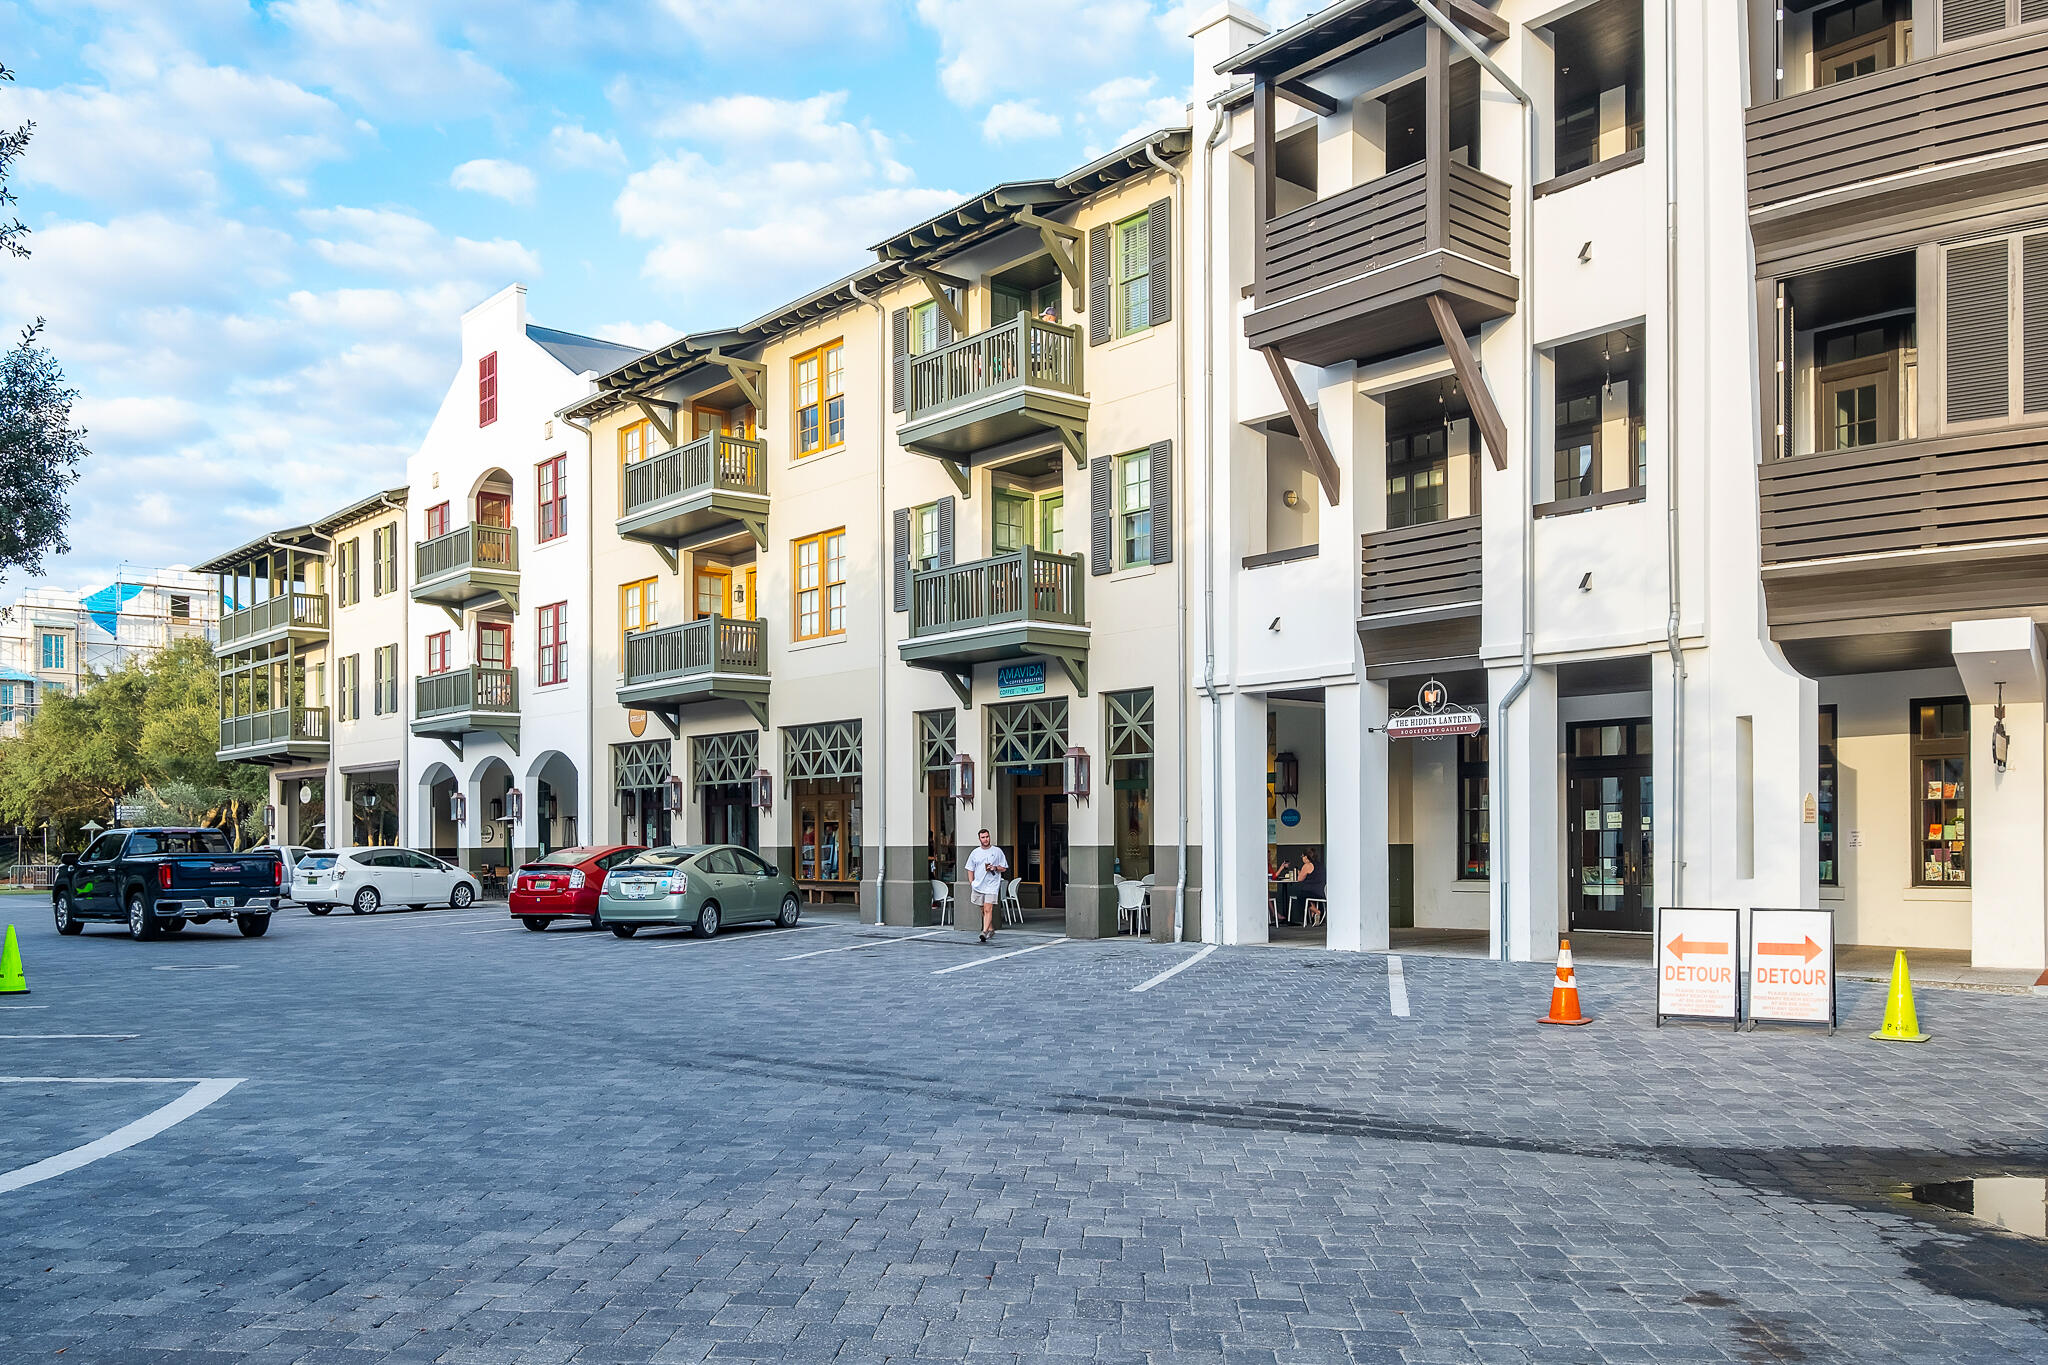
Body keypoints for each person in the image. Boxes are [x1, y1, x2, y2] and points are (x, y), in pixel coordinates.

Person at [965, 828, 1009, 944]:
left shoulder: (997, 851)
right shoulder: (975, 853)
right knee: (982, 908)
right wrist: (972, 882)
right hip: (978, 884)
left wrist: (995, 868)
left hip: (992, 885)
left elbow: (1004, 867)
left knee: (988, 908)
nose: (986, 839)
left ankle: (984, 932)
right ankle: (990, 928)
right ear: (979, 839)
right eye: (983, 837)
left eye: (987, 837)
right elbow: (970, 868)